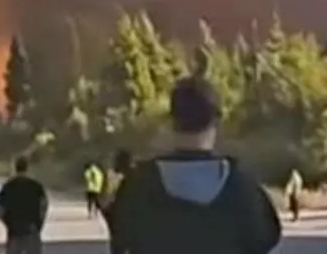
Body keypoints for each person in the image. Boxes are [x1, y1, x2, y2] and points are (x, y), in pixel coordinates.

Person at [110, 76, 282, 254]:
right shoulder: (243, 189)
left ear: (172, 121)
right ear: (215, 122)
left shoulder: (138, 187)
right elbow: (265, 240)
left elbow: (121, 240)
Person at [0, 156, 48, 254]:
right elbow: (44, 205)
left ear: (14, 167)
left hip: (15, 230)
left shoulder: (9, 186)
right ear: (27, 167)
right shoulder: (35, 186)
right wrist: (39, 223)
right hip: (32, 228)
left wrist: (6, 221)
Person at [99, 148, 134, 254]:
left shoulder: (111, 175)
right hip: (125, 212)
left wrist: (104, 208)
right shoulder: (135, 174)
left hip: (116, 211)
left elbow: (105, 194)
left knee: (118, 242)